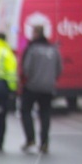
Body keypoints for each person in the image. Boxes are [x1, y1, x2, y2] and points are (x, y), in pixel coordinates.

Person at [19, 25, 63, 153]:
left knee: (25, 111)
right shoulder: (53, 49)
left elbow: (26, 69)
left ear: (36, 33)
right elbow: (59, 69)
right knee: (45, 114)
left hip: (32, 87)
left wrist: (28, 80)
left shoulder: (32, 49)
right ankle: (44, 143)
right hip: (48, 88)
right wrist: (51, 80)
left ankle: (30, 138)